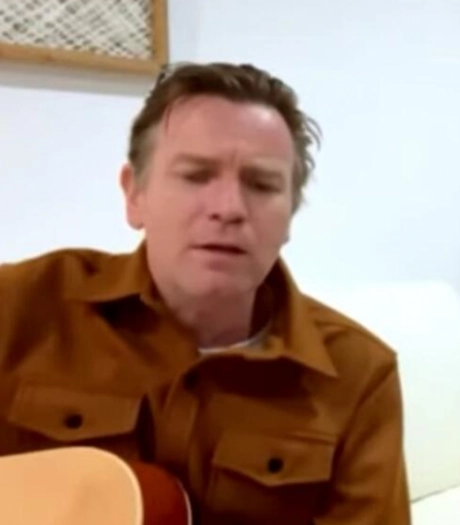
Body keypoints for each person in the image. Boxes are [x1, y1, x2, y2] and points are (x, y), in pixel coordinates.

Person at [0, 62, 410, 524]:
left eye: (261, 184)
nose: (229, 209)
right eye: (196, 175)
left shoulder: (359, 374)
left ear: (290, 216)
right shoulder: (18, 307)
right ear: (134, 195)